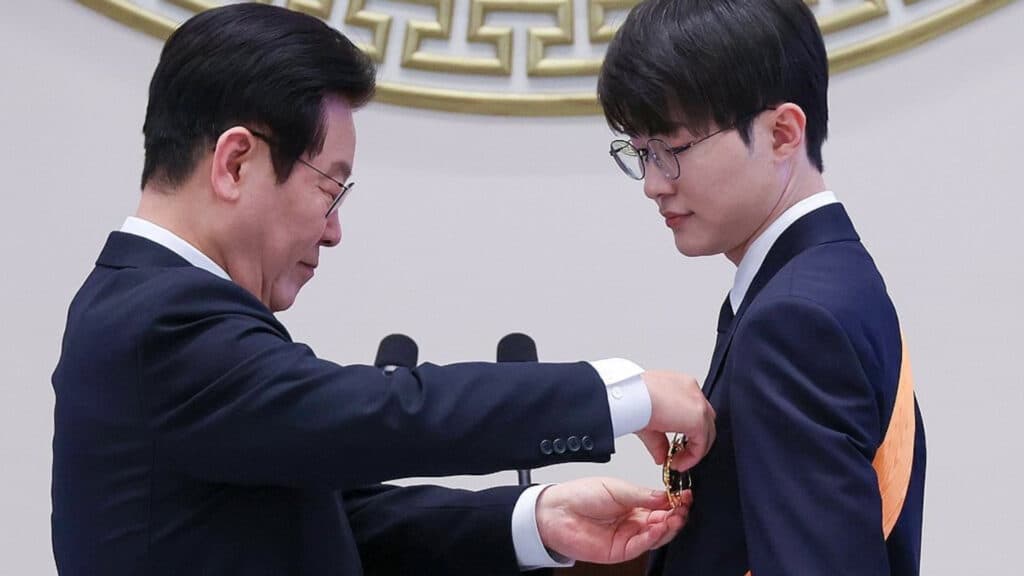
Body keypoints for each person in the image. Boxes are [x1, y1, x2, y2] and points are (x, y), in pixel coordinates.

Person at [50, 4, 717, 575]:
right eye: (328, 188)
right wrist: (620, 395)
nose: (335, 231)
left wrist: (535, 519)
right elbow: (388, 412)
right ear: (235, 163)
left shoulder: (149, 307)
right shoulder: (161, 322)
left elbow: (317, 520)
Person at [597, 0, 927, 574]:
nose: (652, 184)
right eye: (640, 152)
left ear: (782, 133)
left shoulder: (795, 320)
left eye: (671, 150)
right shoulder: (831, 278)